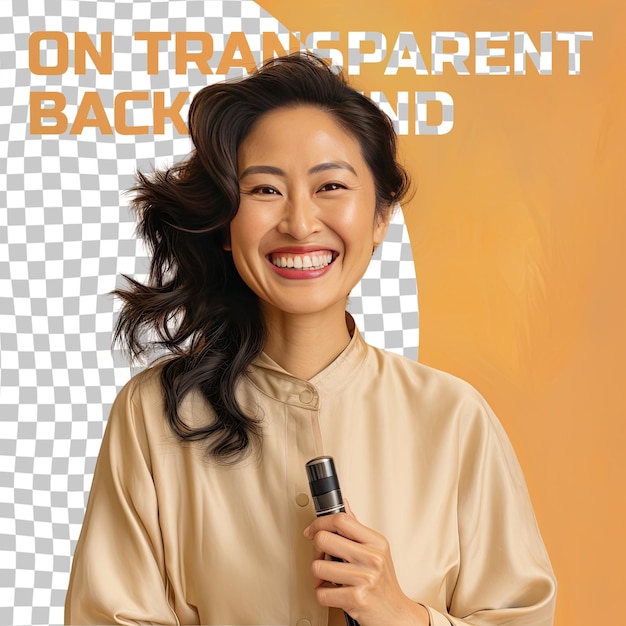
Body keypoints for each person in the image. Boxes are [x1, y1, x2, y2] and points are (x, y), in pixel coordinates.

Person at [65, 53, 556, 626]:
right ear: (226, 223)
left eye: (330, 186)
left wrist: (401, 614)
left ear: (380, 216)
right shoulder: (154, 413)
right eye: (265, 191)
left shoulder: (454, 417)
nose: (300, 223)